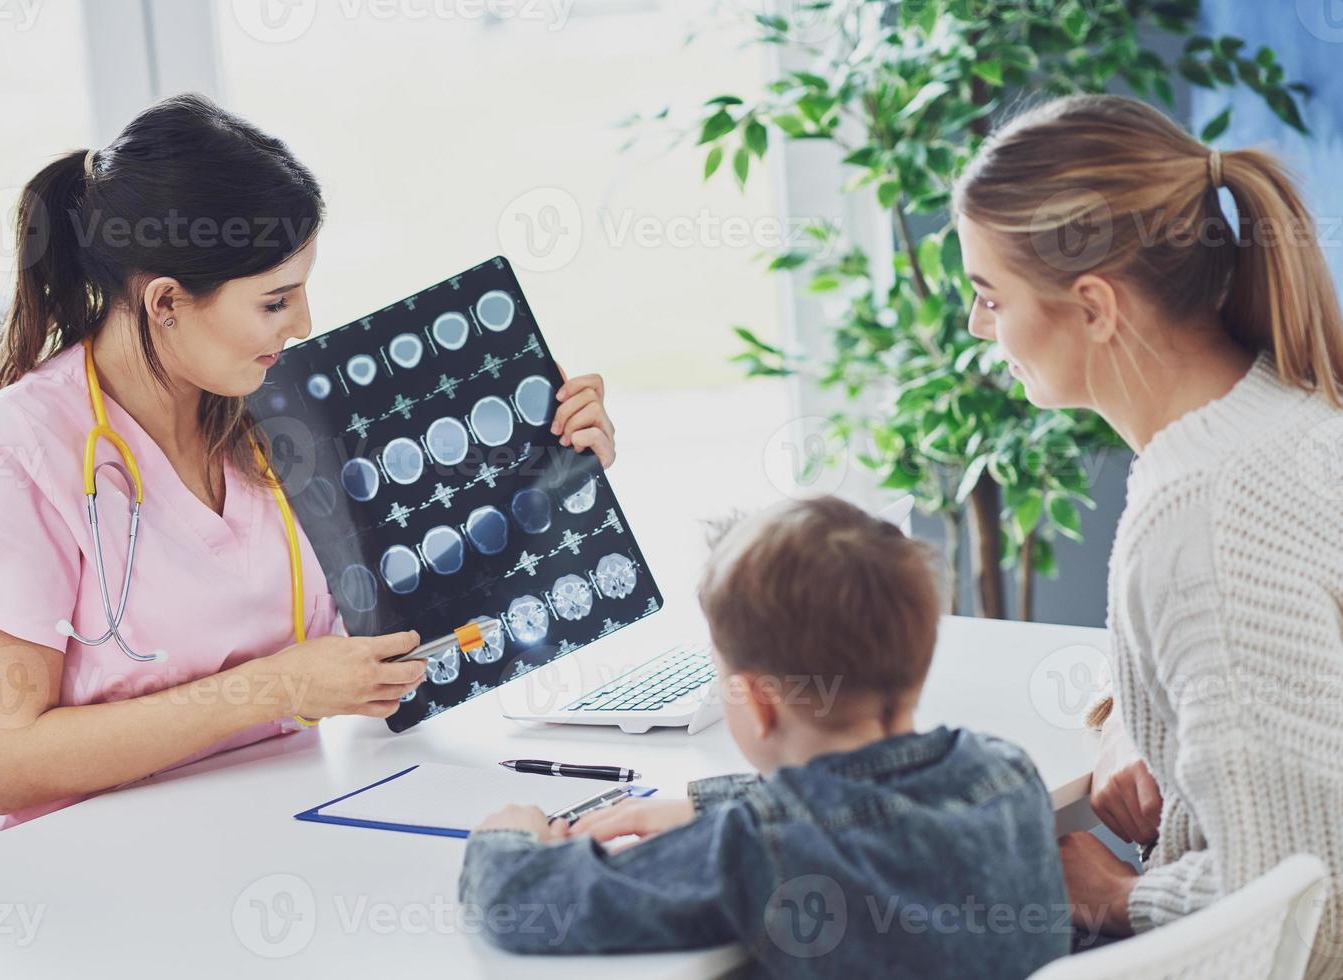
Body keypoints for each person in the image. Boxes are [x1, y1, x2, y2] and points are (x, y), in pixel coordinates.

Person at [0, 93, 616, 849]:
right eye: (275, 300)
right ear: (167, 302)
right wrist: (274, 687)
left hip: (261, 830)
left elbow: (398, 637)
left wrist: (548, 480)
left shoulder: (269, 413)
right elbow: (8, 762)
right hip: (59, 863)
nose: (303, 324)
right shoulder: (19, 444)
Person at [952, 93, 1343, 974]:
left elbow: (1313, 906)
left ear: (1093, 306)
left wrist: (1119, 898)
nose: (978, 326)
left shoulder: (1200, 520)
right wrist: (1126, 715)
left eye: (988, 295)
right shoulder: (1285, 413)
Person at [457, 496, 1071, 978]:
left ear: (755, 702)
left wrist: (509, 836)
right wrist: (707, 802)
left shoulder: (762, 849)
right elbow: (870, 798)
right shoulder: (1006, 772)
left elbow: (525, 902)